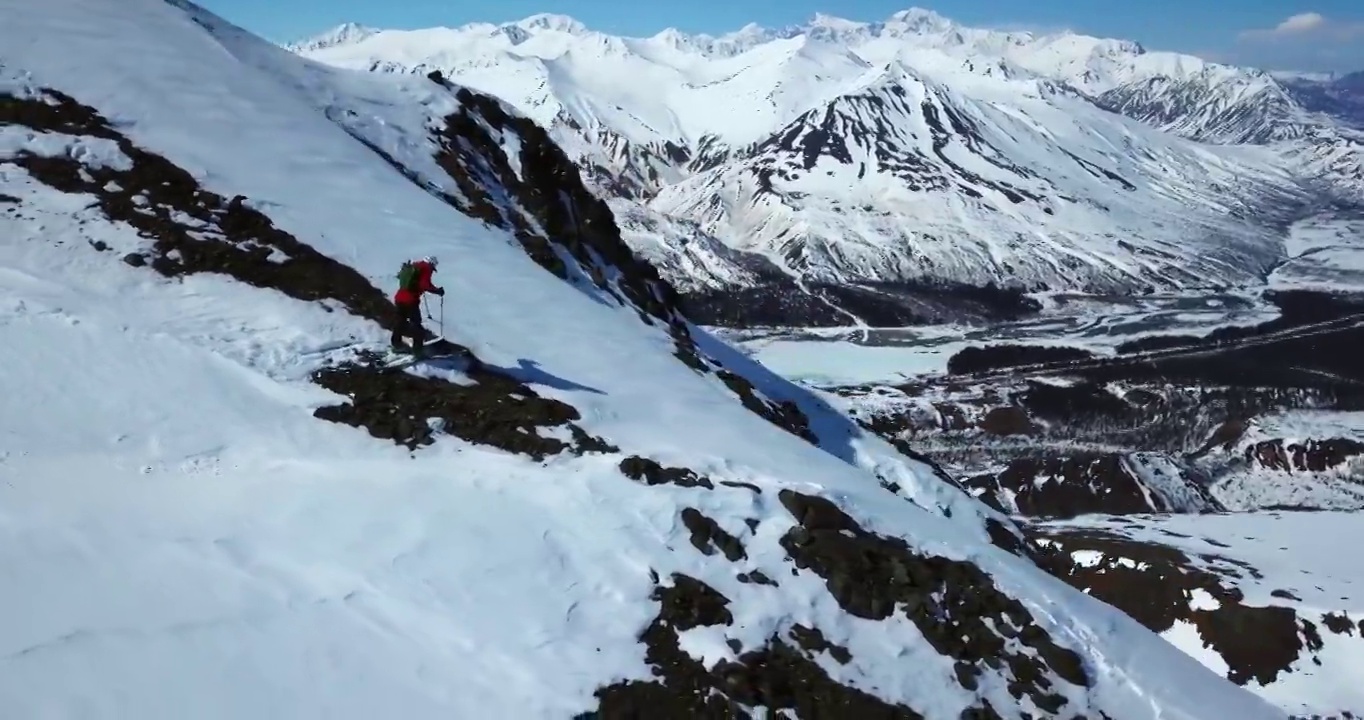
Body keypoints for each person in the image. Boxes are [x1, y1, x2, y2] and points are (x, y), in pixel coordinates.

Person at [392, 255, 445, 356]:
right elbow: (425, 285)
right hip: (410, 301)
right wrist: (437, 291)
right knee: (416, 325)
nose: (432, 271)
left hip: (399, 298)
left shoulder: (414, 266)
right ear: (431, 264)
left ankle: (396, 345)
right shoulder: (425, 268)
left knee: (400, 322)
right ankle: (417, 351)